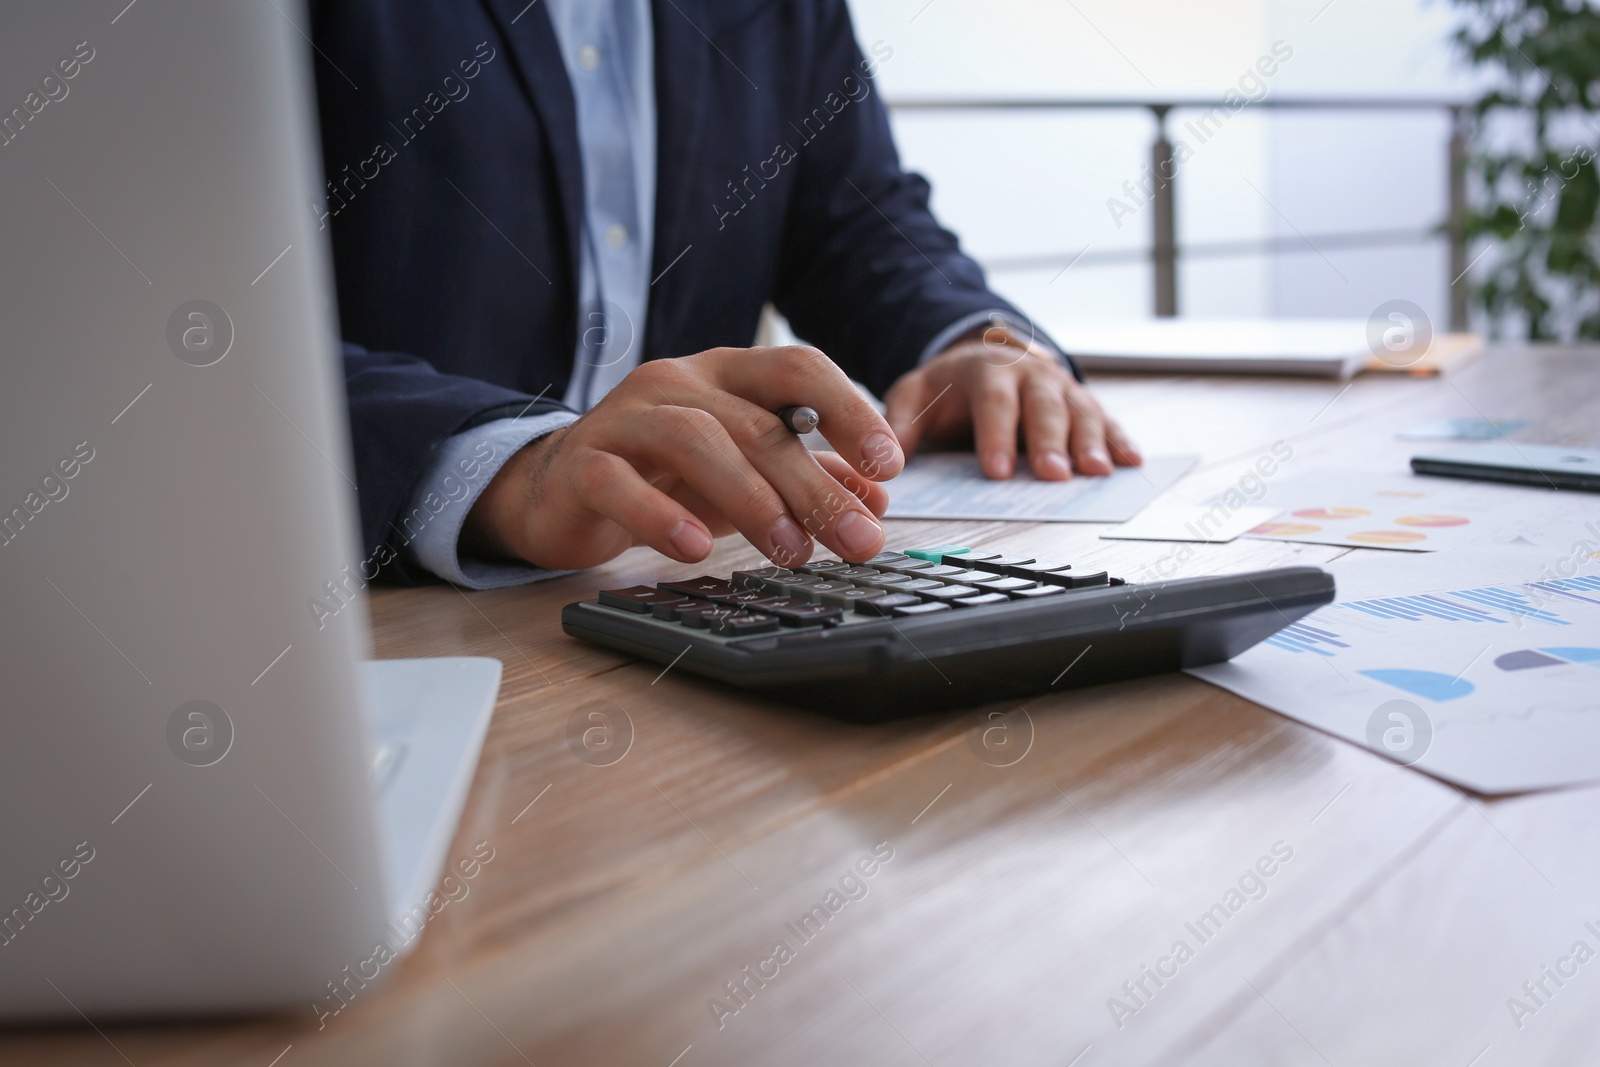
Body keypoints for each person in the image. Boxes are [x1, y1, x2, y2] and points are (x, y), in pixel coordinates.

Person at [311, 0, 1140, 588]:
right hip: (378, 617)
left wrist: (982, 342)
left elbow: (860, 225)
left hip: (691, 585)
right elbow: (220, 328)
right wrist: (504, 468)